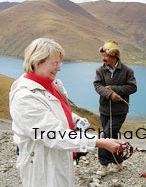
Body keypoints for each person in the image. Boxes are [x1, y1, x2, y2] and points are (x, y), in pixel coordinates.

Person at [9, 38, 126, 187]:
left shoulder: (54, 84)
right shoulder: (25, 97)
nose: (59, 68)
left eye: (60, 63)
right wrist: (99, 142)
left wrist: (74, 119)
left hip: (59, 157)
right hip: (41, 165)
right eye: (54, 63)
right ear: (37, 61)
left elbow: (56, 111)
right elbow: (53, 134)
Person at [93, 40, 137, 176]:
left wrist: (114, 89)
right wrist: (109, 94)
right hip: (104, 110)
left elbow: (133, 87)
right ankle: (118, 162)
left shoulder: (127, 71)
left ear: (114, 56)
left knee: (106, 135)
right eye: (102, 56)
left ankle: (103, 165)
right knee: (112, 135)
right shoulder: (100, 70)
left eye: (105, 56)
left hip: (120, 111)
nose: (103, 59)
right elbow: (97, 85)